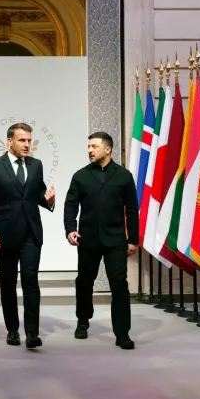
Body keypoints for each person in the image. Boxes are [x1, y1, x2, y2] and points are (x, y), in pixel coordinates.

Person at [0, 123, 55, 349]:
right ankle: (12, 329)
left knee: (31, 281)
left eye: (29, 140)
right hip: (4, 235)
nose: (27, 144)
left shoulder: (36, 165)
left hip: (31, 233)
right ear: (9, 141)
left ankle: (32, 333)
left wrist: (48, 200)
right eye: (22, 140)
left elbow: (37, 195)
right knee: (8, 283)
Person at [64, 131, 139, 350]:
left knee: (119, 284)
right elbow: (71, 205)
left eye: (94, 146)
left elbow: (132, 210)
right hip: (87, 239)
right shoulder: (80, 176)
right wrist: (70, 229)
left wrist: (133, 240)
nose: (90, 150)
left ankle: (122, 333)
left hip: (116, 240)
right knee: (84, 282)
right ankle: (83, 320)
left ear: (108, 149)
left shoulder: (124, 176)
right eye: (89, 146)